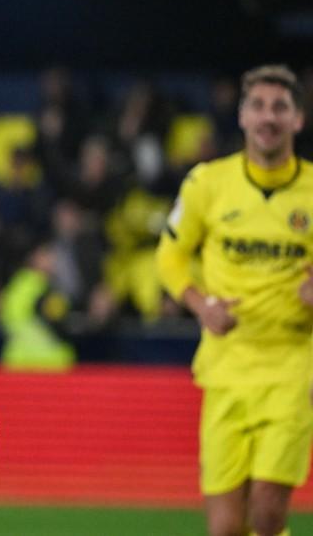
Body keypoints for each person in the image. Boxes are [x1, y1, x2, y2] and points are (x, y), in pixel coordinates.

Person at [157, 64, 313, 536]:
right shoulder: (207, 183)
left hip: (291, 367)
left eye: (280, 107)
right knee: (225, 528)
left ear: (298, 120)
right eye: (259, 106)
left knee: (267, 513)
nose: (269, 117)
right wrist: (200, 304)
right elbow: (171, 254)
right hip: (225, 369)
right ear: (242, 117)